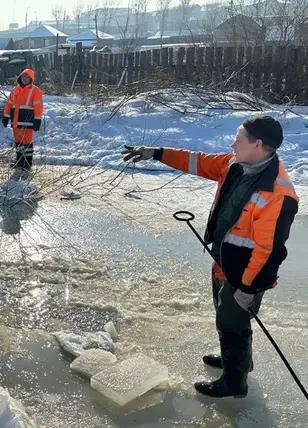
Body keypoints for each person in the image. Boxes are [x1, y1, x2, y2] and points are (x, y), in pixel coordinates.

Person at [122, 116, 299, 398]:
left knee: (232, 322)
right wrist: (155, 153)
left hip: (246, 272)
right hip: (224, 260)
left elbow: (270, 250)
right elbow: (197, 161)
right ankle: (239, 361)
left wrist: (248, 288)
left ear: (258, 144)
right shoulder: (234, 165)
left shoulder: (278, 193)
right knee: (226, 316)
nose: (233, 143)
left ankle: (235, 383)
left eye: (239, 139)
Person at [2, 69, 43, 180]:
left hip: (28, 122)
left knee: (28, 144)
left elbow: (38, 106)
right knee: (19, 143)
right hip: (16, 122)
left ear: (31, 79)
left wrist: (37, 120)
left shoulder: (35, 90)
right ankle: (19, 163)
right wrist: (6, 116)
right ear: (20, 77)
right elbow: (9, 104)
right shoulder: (15, 90)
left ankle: (27, 164)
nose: (25, 79)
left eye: (27, 78)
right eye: (23, 77)